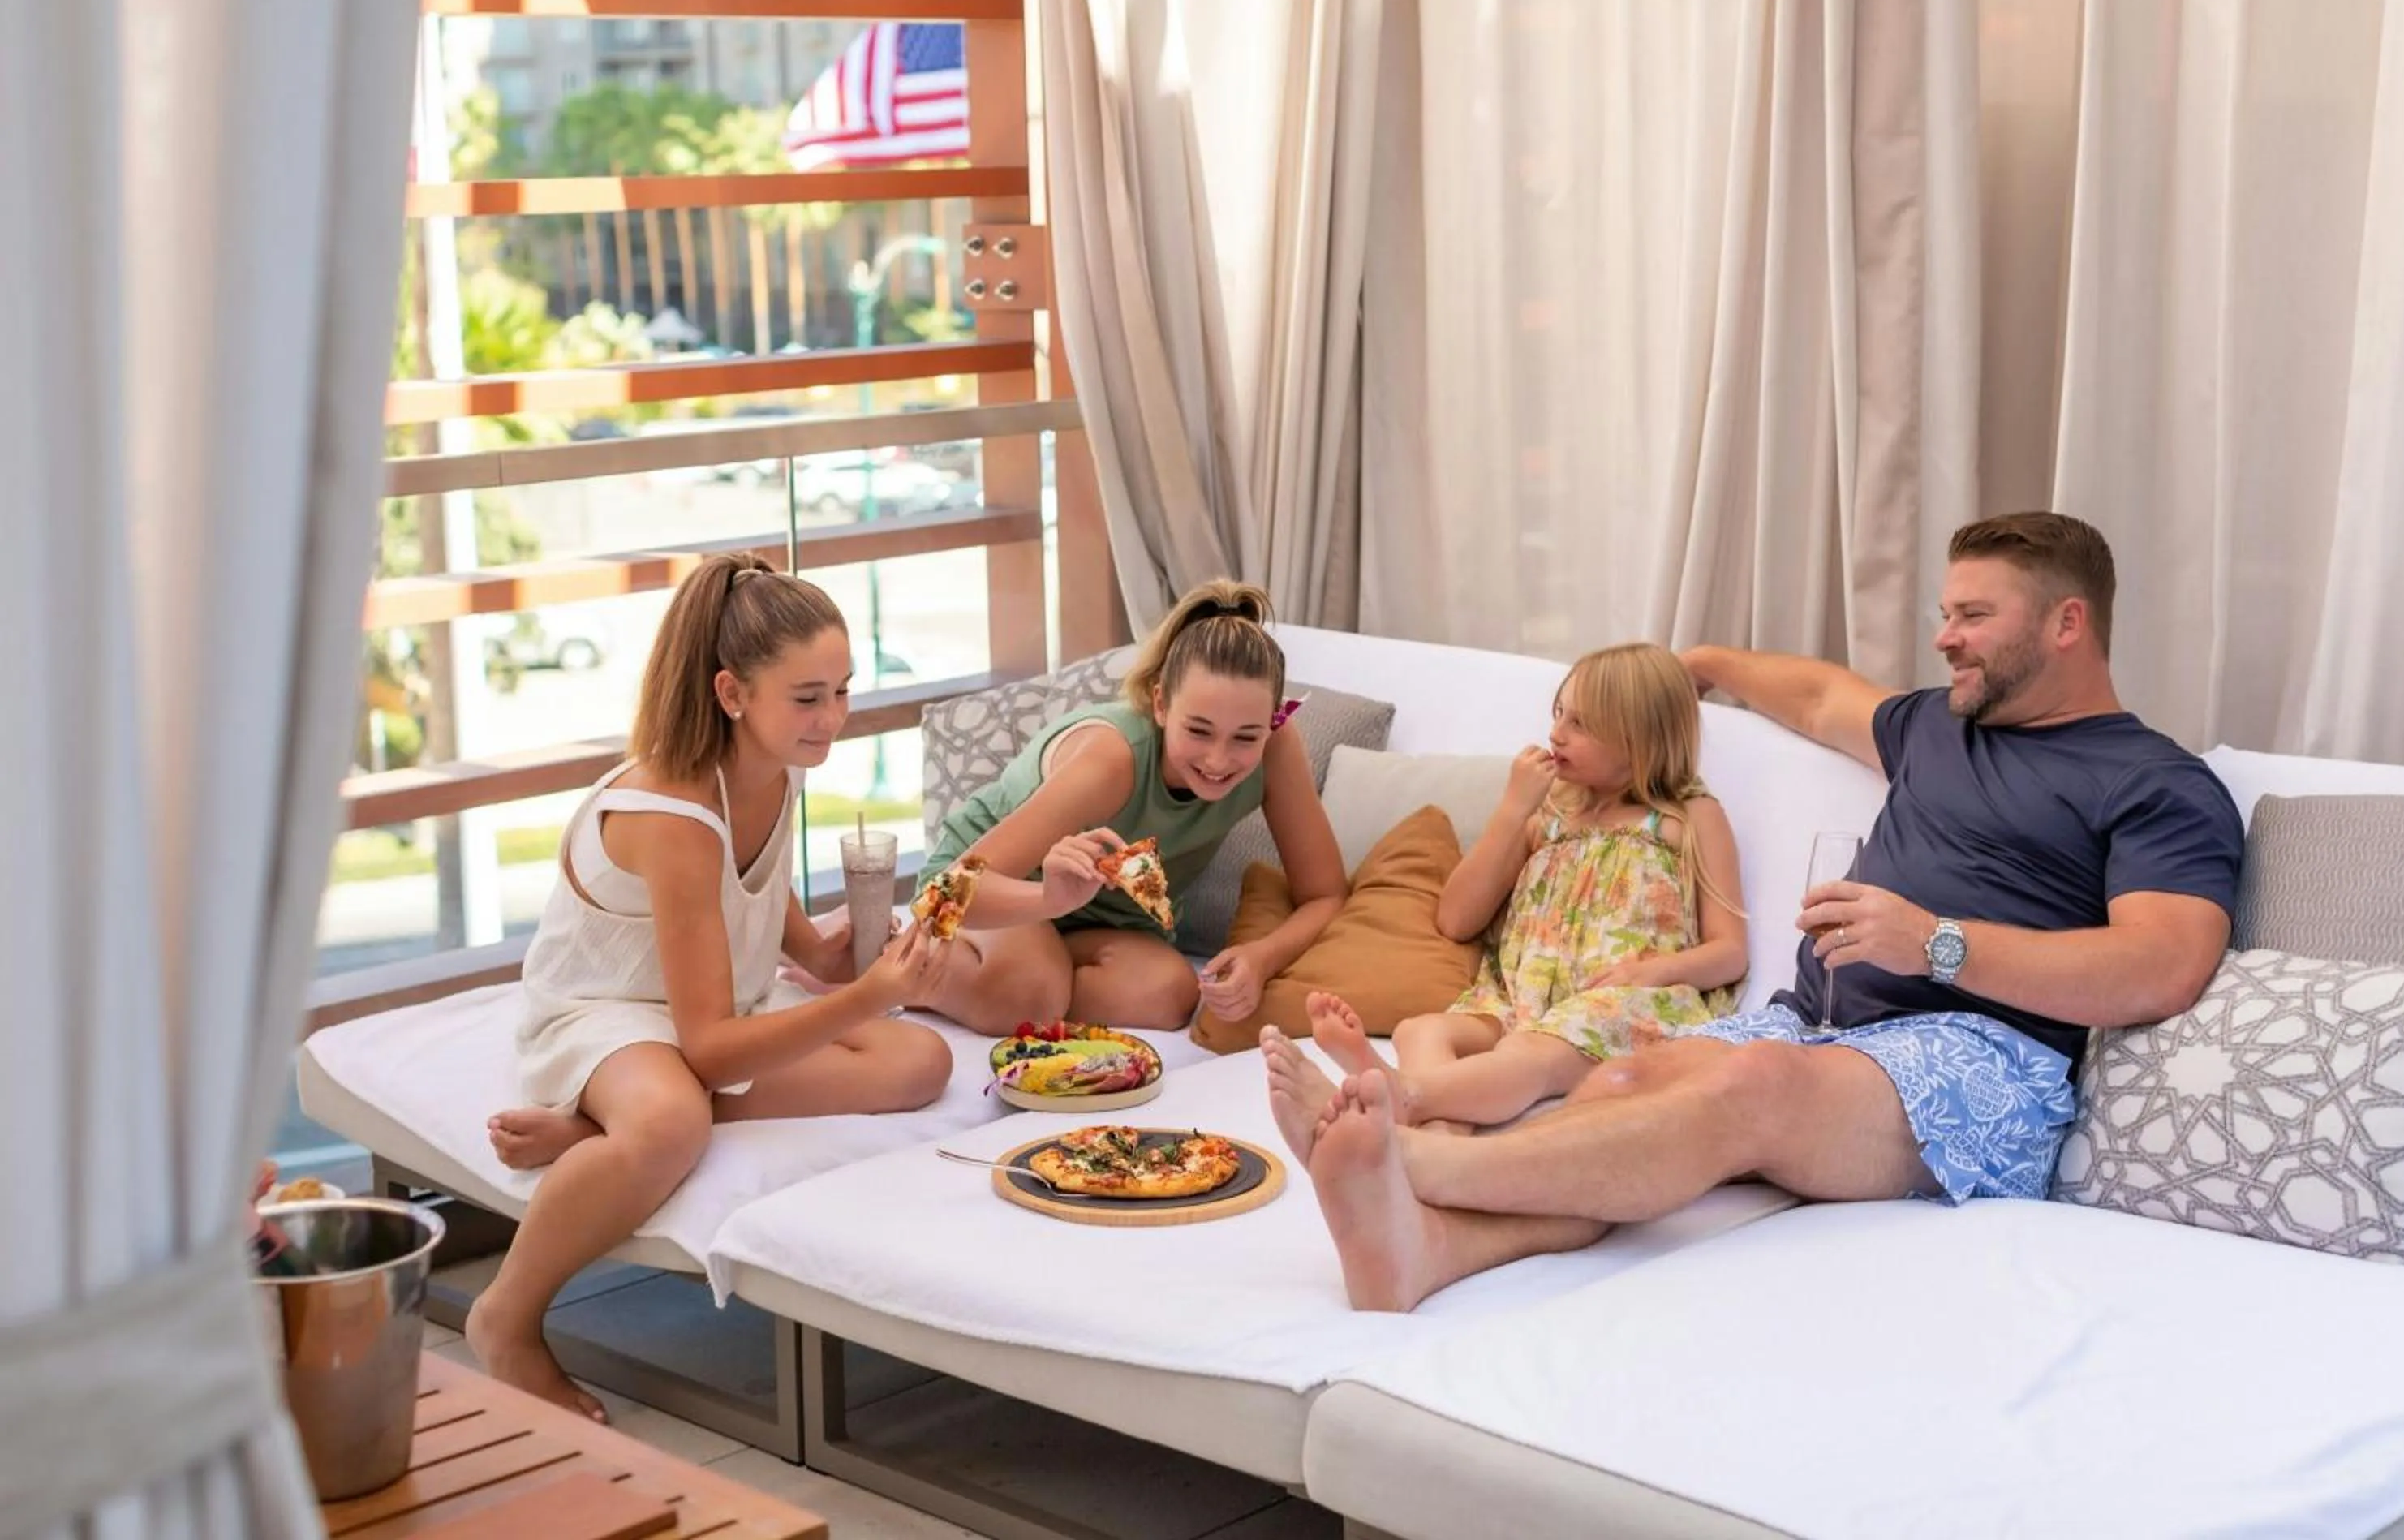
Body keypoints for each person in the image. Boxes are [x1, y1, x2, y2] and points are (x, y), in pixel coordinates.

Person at [1266, 512, 2243, 1312]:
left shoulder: (2154, 781)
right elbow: (1820, 695)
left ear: (2068, 624)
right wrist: (1702, 663)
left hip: (1985, 1059)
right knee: (1621, 1087)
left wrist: (1938, 943)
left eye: (1973, 616)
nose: (1944, 637)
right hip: (1816, 1027)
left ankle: (1407, 1159)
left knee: (1755, 1083)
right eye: (1946, 612)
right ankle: (1422, 1252)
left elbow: (2163, 964)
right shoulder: (1938, 728)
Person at [471, 553, 954, 1417]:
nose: (833, 717)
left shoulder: (776, 768)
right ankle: (505, 1317)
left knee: (919, 1060)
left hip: (710, 1010)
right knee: (670, 1118)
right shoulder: (674, 815)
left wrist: (869, 955)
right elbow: (707, 1046)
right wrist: (865, 995)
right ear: (733, 693)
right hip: (609, 1015)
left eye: (842, 688)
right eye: (808, 698)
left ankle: (589, 1126)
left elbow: (786, 938)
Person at [1302, 643, 1747, 1133]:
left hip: (1621, 1005)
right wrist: (1513, 810)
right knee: (1420, 1029)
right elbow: (1455, 919)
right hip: (1519, 998)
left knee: (1527, 1052)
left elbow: (1730, 952)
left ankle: (1406, 1095)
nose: (1557, 733)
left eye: (1581, 724)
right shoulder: (1549, 816)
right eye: (1559, 714)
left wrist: (1653, 974)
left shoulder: (1686, 819)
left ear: (1639, 738)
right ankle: (1433, 1150)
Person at [917, 580, 1349, 1034]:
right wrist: (1049, 897)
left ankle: (1028, 978)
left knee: (1170, 996)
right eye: (1199, 731)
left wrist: (1261, 960)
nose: (1219, 760)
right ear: (1161, 704)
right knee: (1030, 993)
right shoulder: (1111, 761)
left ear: (1273, 720)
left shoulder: (1278, 746)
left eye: (1246, 736)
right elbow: (949, 895)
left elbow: (1325, 895)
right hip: (998, 894)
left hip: (1099, 923)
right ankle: (902, 963)